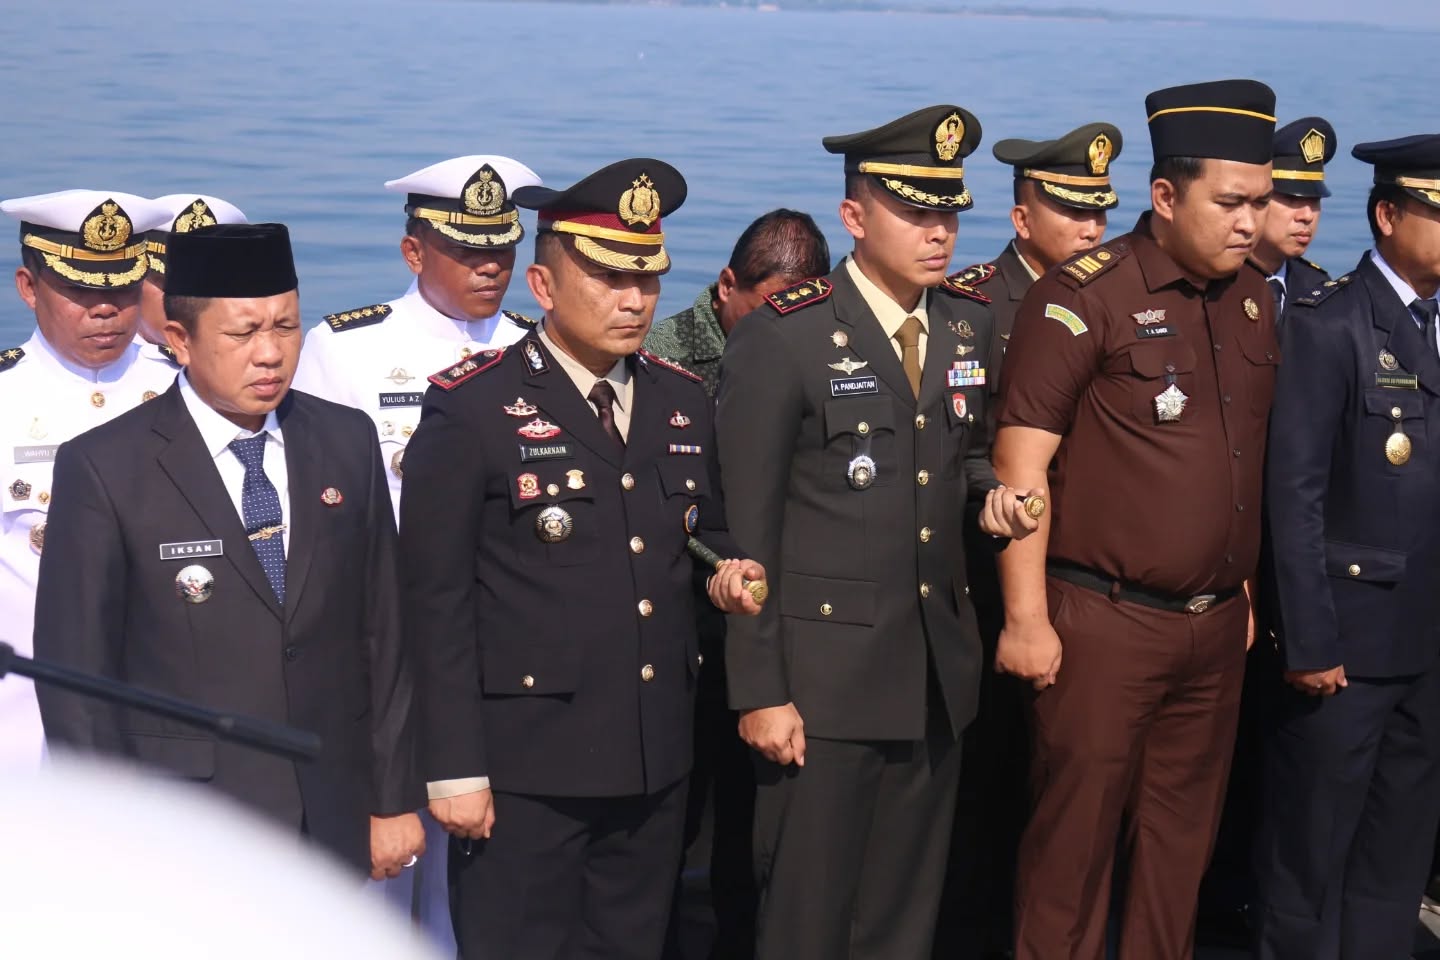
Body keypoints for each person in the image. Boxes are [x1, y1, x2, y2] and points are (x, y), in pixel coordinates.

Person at [397, 158, 765, 960]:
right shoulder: (474, 407)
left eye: (648, 279)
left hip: (652, 759)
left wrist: (730, 573)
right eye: (608, 279)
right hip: (525, 767)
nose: (634, 301)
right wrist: (453, 768)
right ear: (543, 285)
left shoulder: (680, 399)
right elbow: (434, 602)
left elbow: (704, 531)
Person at [715, 104, 1041, 960]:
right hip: (821, 688)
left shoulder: (966, 323)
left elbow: (964, 456)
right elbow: (746, 532)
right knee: (807, 922)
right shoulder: (786, 337)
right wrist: (760, 691)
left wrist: (993, 501)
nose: (939, 233)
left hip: (934, 674)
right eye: (916, 213)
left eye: (949, 214)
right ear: (854, 217)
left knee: (902, 925)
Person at [32, 222, 425, 880]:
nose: (270, 354)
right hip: (181, 824)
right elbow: (77, 682)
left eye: (286, 327)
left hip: (331, 808)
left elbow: (385, 634)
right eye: (243, 334)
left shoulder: (345, 440)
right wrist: (105, 836)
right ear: (181, 340)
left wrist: (392, 799)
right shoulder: (106, 468)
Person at [992, 79, 1278, 960]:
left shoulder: (1256, 299)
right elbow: (1020, 467)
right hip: (1103, 622)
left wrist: (1241, 589)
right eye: (1230, 202)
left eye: (1260, 203)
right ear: (1165, 196)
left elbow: (1243, 459)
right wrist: (1026, 618)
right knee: (1072, 859)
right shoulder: (1085, 297)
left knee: (1178, 861)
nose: (1251, 222)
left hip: (1214, 627)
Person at [935, 121, 1121, 960]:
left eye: (1099, 212)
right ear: (1021, 219)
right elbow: (964, 448)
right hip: (989, 572)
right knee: (987, 784)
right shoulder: (977, 305)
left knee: (1068, 786)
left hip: (1086, 574)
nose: (1091, 228)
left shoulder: (1111, 299)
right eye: (1072, 212)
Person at [1253, 134, 1440, 960]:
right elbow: (1293, 495)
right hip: (1348, 644)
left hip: (1428, 644)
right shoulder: (1331, 324)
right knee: (1311, 858)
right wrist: (1310, 639)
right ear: (1388, 215)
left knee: (1396, 856)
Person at [646, 207, 830, 960]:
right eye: (770, 302)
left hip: (777, 622)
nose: (784, 320)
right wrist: (722, 563)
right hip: (687, 620)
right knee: (671, 823)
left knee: (756, 830)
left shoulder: (822, 350)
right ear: (727, 286)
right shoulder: (663, 357)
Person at [1197, 115, 1341, 949]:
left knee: (1280, 742)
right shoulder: (1216, 294)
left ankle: (1253, 895)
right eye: (1288, 198)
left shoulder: (1322, 297)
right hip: (1225, 550)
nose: (1303, 215)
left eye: (1313, 201)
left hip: (1299, 558)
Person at [0, 189, 177, 772]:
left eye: (123, 289)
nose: (105, 310)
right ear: (29, 288)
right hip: (22, 720)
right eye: (80, 291)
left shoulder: (188, 389)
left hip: (169, 711)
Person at [293, 155, 543, 516]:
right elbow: (309, 487)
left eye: (502, 248)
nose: (491, 266)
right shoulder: (343, 349)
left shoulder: (536, 344)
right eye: (467, 251)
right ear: (414, 254)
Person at [644, 208, 831, 396]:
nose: (785, 336)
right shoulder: (655, 359)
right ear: (727, 285)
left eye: (800, 320)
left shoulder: (832, 352)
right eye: (769, 317)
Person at [1250, 118, 1336, 321]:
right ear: (1256, 199)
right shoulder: (1219, 282)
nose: (1307, 216)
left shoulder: (1317, 285)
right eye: (1291, 199)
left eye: (1314, 201)